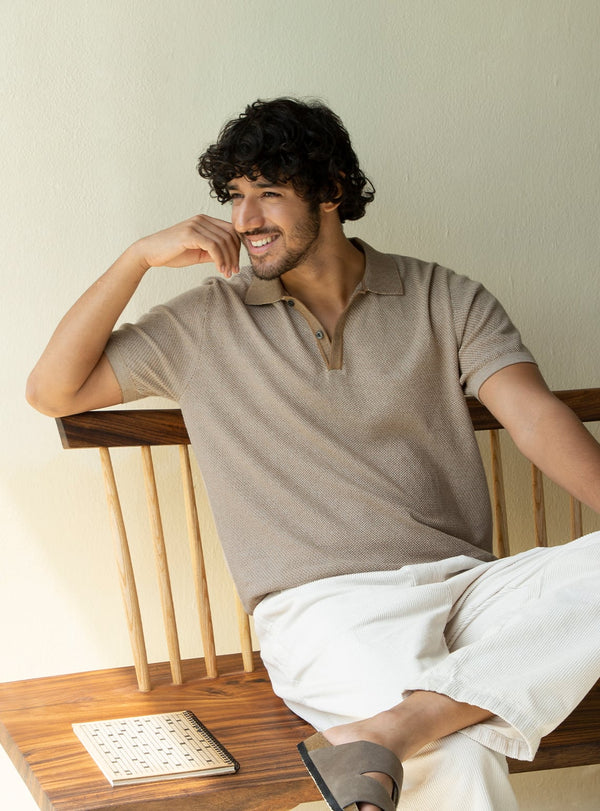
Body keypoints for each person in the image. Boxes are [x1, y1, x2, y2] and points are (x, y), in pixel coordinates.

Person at [27, 98, 600, 811]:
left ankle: (397, 724)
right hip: (326, 609)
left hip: (469, 586)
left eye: (268, 191)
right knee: (454, 754)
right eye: (235, 195)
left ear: (331, 190)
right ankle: (418, 724)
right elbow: (52, 391)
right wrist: (137, 258)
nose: (246, 218)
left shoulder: (444, 296)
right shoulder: (204, 323)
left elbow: (536, 420)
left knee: (425, 739)